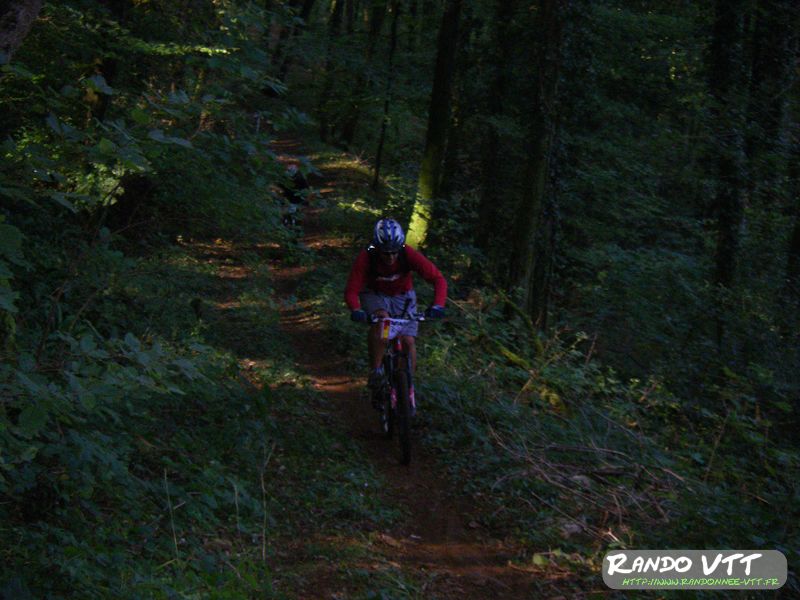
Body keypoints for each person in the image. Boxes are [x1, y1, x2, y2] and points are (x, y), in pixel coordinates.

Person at [344, 218, 447, 406]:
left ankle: (407, 382)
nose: (391, 257)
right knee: (383, 322)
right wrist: (356, 309)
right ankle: (376, 372)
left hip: (403, 296)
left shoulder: (407, 253)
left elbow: (438, 279)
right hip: (375, 294)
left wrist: (438, 305)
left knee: (408, 341)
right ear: (377, 248)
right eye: (386, 253)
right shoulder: (367, 256)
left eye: (394, 252)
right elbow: (352, 289)